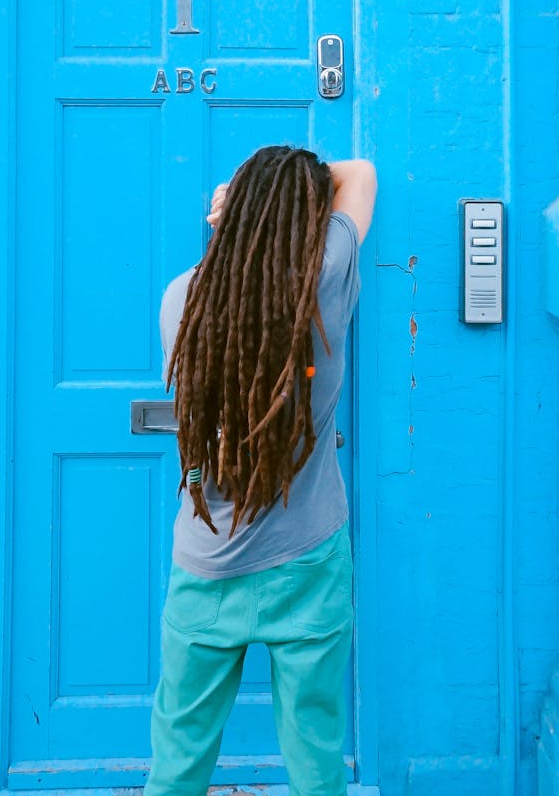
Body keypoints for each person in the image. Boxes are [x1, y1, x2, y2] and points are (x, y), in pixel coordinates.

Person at [145, 145, 377, 796]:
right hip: (308, 563)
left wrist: (238, 197)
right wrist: (273, 195)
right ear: (308, 216)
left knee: (177, 761)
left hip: (206, 564)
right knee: (316, 762)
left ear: (229, 215)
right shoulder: (323, 279)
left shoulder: (182, 301)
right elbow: (360, 174)